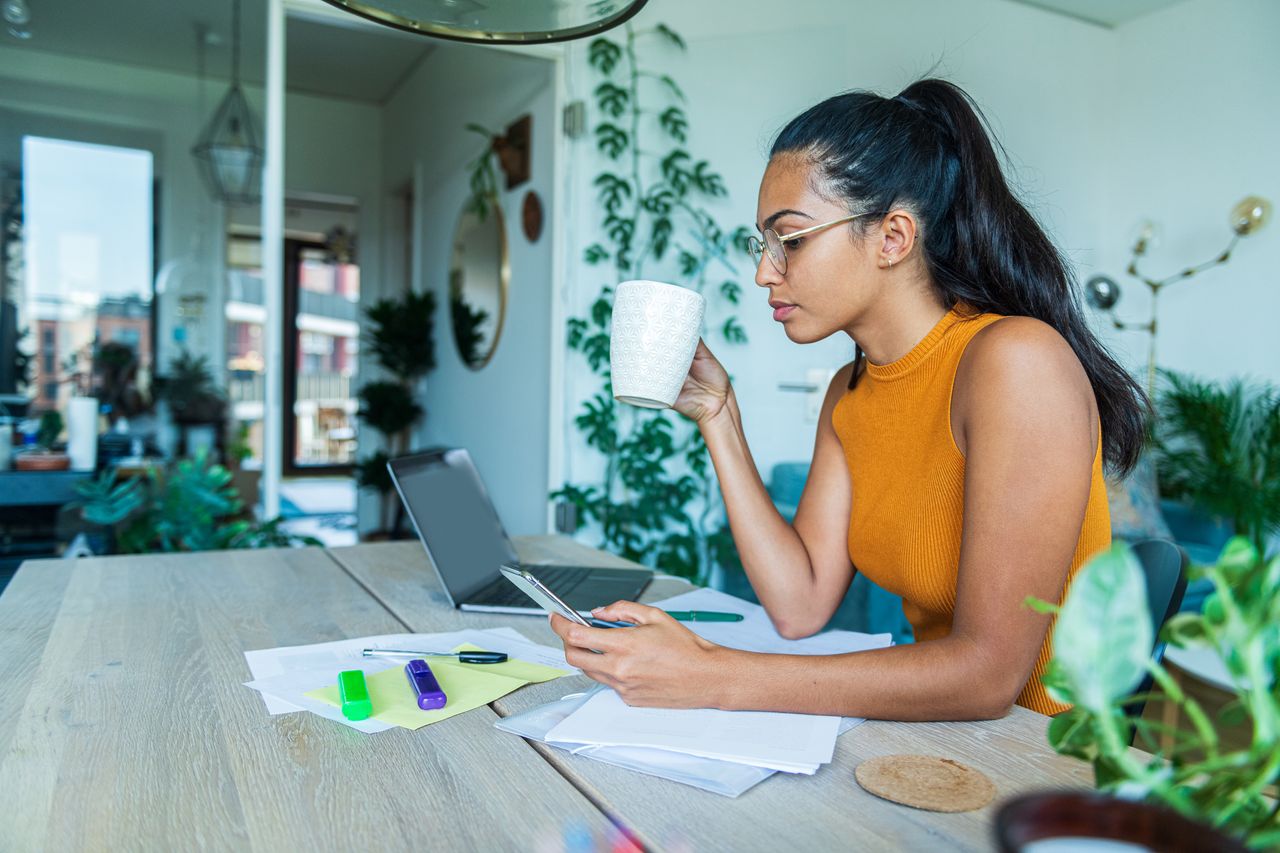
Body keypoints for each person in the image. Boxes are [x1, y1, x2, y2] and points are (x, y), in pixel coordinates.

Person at [549, 79, 1147, 720]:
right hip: (942, 744)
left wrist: (713, 675)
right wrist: (719, 417)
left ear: (893, 236)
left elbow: (988, 675)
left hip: (1047, 764)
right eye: (763, 244)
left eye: (792, 239)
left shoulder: (1016, 361)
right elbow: (799, 604)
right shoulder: (852, 389)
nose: (764, 272)